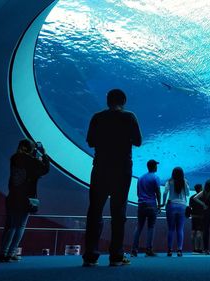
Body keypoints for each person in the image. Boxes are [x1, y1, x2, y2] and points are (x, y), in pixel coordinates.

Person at [83, 89, 142, 267]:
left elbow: (90, 141)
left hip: (100, 167)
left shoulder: (97, 117)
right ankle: (116, 256)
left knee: (94, 211)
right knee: (118, 212)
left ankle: (90, 256)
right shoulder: (129, 117)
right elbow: (138, 141)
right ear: (124, 101)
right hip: (122, 169)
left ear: (107, 100)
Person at [0, 139, 50, 262]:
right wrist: (43, 154)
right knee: (19, 226)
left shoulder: (14, 158)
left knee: (10, 226)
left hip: (12, 197)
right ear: (32, 149)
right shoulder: (31, 161)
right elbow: (45, 169)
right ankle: (8, 253)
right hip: (24, 199)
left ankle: (3, 253)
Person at [131, 159, 161, 257]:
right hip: (151, 205)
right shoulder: (155, 178)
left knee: (139, 226)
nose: (157, 167)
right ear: (154, 166)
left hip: (141, 204)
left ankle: (134, 250)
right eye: (156, 165)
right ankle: (149, 250)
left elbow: (137, 192)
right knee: (151, 227)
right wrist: (159, 205)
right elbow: (158, 192)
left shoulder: (140, 178)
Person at [163, 167, 190, 257]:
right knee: (180, 229)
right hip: (182, 206)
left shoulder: (169, 181)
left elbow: (165, 192)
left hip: (171, 205)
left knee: (171, 229)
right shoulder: (184, 181)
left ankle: (170, 250)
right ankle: (179, 250)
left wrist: (163, 203)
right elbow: (187, 193)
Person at [189, 184, 204, 254]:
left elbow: (190, 207)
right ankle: (200, 249)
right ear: (201, 189)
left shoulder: (191, 198)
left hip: (194, 217)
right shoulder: (203, 197)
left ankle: (194, 249)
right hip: (201, 217)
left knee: (193, 232)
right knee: (199, 233)